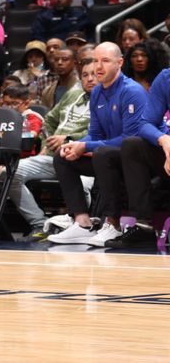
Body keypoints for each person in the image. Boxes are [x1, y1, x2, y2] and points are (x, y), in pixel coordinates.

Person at [48, 43, 148, 246]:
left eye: (105, 61)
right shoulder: (96, 93)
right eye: (95, 60)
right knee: (62, 155)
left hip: (135, 161)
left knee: (102, 153)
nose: (98, 67)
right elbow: (94, 133)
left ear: (119, 63)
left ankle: (112, 224)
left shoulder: (132, 92)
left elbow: (130, 138)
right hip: (106, 156)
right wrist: (76, 144)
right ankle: (82, 222)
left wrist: (86, 147)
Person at [8, 58, 96, 241]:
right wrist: (44, 145)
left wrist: (69, 139)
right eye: (85, 75)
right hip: (53, 157)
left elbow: (105, 135)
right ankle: (40, 224)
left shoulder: (108, 99)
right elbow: (49, 120)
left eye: (94, 75)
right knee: (10, 173)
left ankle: (79, 226)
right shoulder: (74, 94)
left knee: (85, 187)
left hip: (86, 158)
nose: (89, 79)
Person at [110, 67, 170, 248]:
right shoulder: (166, 77)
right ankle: (143, 225)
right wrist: (164, 140)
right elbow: (145, 123)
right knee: (133, 145)